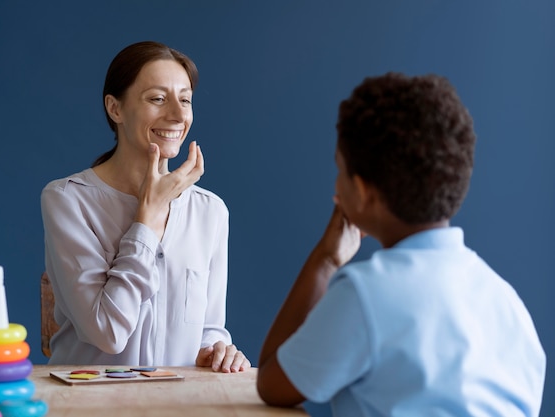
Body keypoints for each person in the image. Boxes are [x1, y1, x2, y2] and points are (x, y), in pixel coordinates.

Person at [256, 73, 546, 415]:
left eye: (340, 169)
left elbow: (271, 382)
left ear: (363, 192)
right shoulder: (506, 302)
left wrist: (326, 261)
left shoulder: (364, 294)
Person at [41, 41, 250, 372]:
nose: (178, 115)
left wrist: (218, 350)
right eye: (157, 99)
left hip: (178, 405)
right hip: (88, 405)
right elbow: (107, 333)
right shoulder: (68, 200)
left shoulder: (211, 211)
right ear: (116, 109)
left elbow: (207, 329)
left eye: (185, 100)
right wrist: (146, 223)